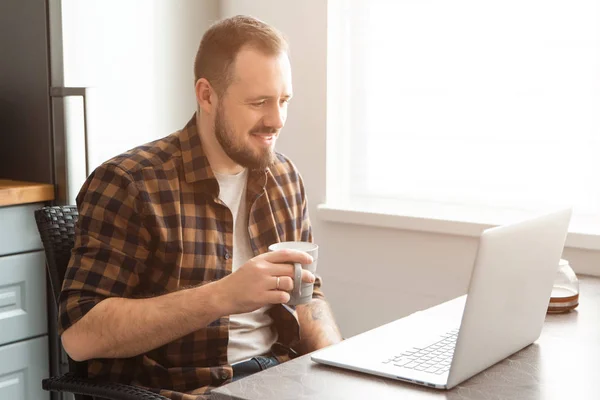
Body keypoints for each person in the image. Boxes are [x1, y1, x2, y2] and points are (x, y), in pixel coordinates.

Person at [57, 15, 342, 400]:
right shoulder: (130, 182)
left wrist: (341, 369)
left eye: (283, 101)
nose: (276, 120)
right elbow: (81, 336)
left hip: (279, 377)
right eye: (259, 102)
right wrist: (224, 295)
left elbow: (307, 296)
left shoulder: (283, 176)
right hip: (187, 391)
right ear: (207, 95)